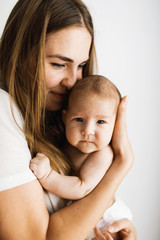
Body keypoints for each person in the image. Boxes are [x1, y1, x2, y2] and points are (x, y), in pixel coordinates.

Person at [0, 0, 136, 239]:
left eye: (81, 65)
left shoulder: (57, 121)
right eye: (59, 64)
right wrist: (120, 166)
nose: (73, 81)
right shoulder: (3, 109)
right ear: (20, 53)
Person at [30, 75, 133, 239]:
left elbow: (82, 187)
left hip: (106, 219)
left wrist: (48, 175)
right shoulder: (67, 144)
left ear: (116, 125)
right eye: (79, 119)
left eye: (100, 122)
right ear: (65, 118)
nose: (88, 130)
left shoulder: (103, 154)